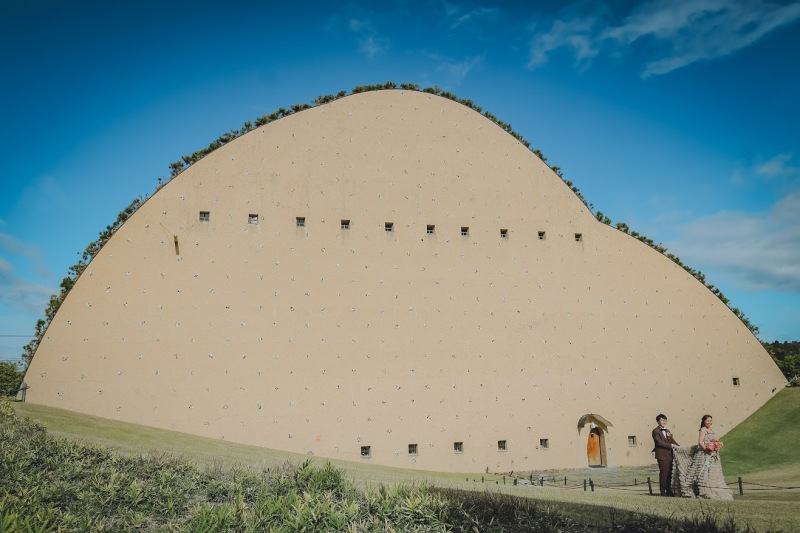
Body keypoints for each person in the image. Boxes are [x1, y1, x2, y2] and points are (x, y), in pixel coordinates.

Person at [651, 413, 679, 496]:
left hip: (670, 455)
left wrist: (679, 447)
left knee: (670, 473)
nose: (664, 421)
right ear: (658, 421)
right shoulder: (655, 431)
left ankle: (669, 491)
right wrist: (671, 445)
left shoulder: (667, 431)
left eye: (665, 420)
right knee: (664, 473)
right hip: (662, 455)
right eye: (662, 420)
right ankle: (663, 492)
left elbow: (672, 440)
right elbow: (659, 443)